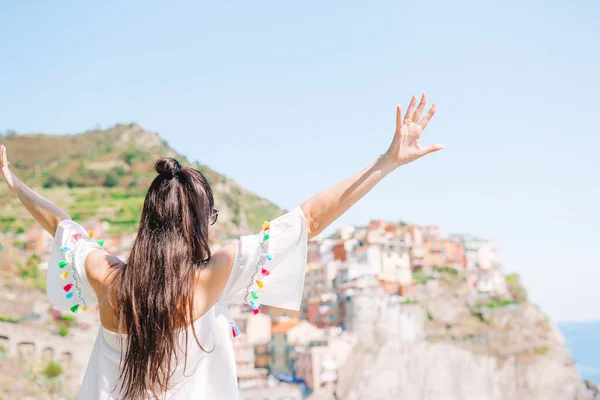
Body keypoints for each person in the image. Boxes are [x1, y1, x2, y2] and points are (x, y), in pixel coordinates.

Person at [0, 94, 442, 399]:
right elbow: (309, 218)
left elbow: (60, 223)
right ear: (198, 223)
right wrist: (385, 164)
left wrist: (13, 181)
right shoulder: (212, 277)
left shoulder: (107, 280)